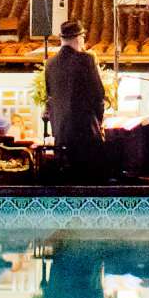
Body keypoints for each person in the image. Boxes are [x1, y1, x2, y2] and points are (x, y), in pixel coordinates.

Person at [44, 21, 111, 182]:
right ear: (79, 38)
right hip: (85, 134)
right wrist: (99, 122)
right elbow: (98, 95)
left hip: (60, 135)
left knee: (67, 183)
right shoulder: (86, 60)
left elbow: (50, 97)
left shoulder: (50, 64)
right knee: (90, 182)